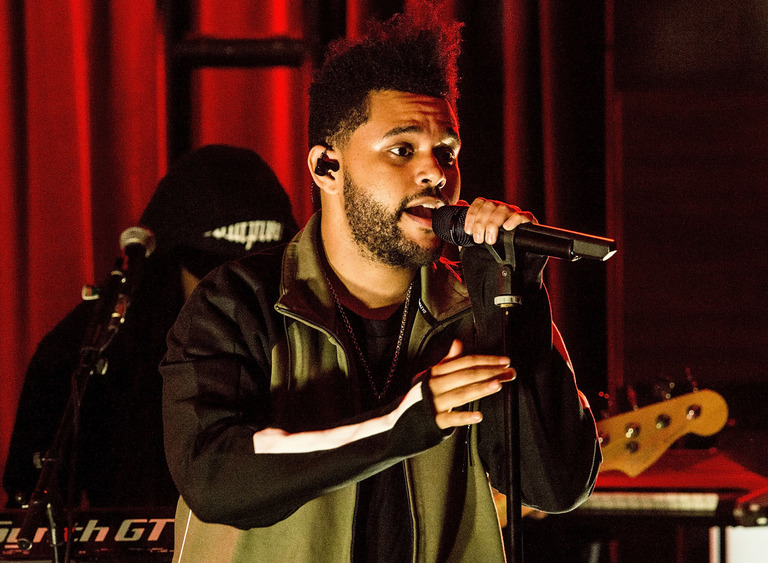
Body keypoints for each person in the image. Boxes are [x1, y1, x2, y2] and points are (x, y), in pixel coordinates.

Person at [159, 4, 602, 562]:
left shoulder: (476, 310)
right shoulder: (238, 303)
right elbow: (215, 475)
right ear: (327, 167)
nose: (435, 173)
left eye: (448, 152)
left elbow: (555, 487)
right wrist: (398, 425)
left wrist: (519, 299)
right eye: (402, 149)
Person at [3, 144, 300, 509]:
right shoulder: (94, 346)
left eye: (255, 281)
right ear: (167, 266)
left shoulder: (311, 338)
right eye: (211, 278)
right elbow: (31, 501)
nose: (232, 298)